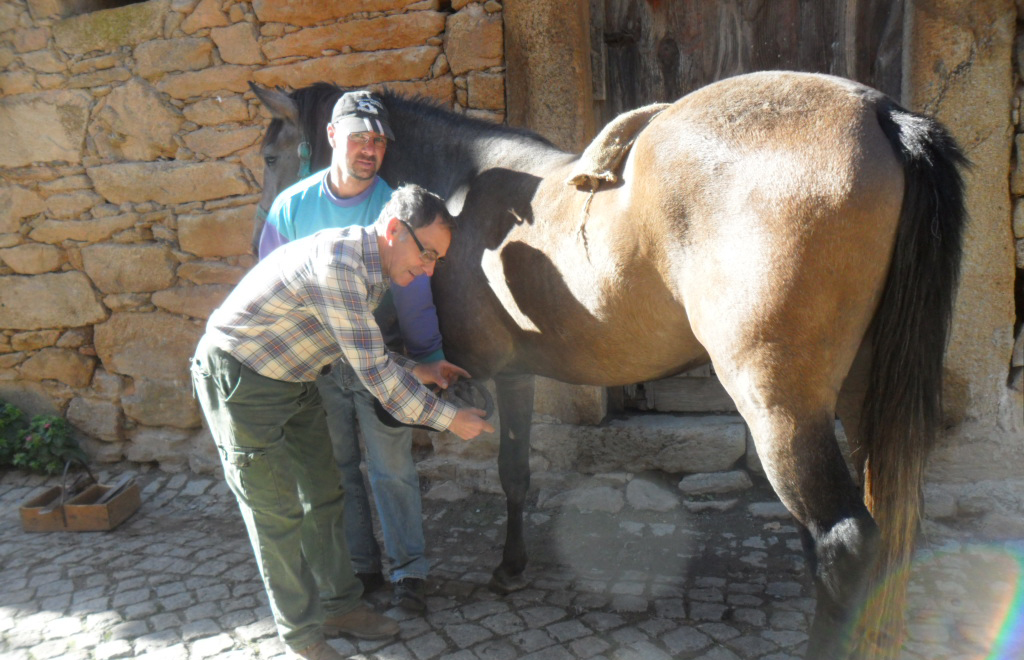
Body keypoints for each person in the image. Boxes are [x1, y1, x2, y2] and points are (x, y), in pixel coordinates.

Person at [191, 184, 494, 660]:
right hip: (241, 380)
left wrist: (420, 369)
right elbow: (374, 374)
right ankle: (302, 638)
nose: (429, 268)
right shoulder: (340, 264)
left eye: (438, 259)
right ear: (395, 230)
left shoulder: (370, 267)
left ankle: (339, 606)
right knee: (276, 514)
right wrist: (449, 419)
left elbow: (360, 351)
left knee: (324, 495)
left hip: (294, 377)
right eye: (428, 253)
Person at [258, 90, 445, 613]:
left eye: (380, 141)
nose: (371, 149)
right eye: (360, 137)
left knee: (393, 469)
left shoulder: (392, 208)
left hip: (378, 357)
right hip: (315, 364)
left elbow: (413, 290)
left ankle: (410, 572)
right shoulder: (290, 207)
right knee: (338, 469)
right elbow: (269, 287)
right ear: (332, 136)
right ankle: (362, 569)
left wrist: (428, 356)